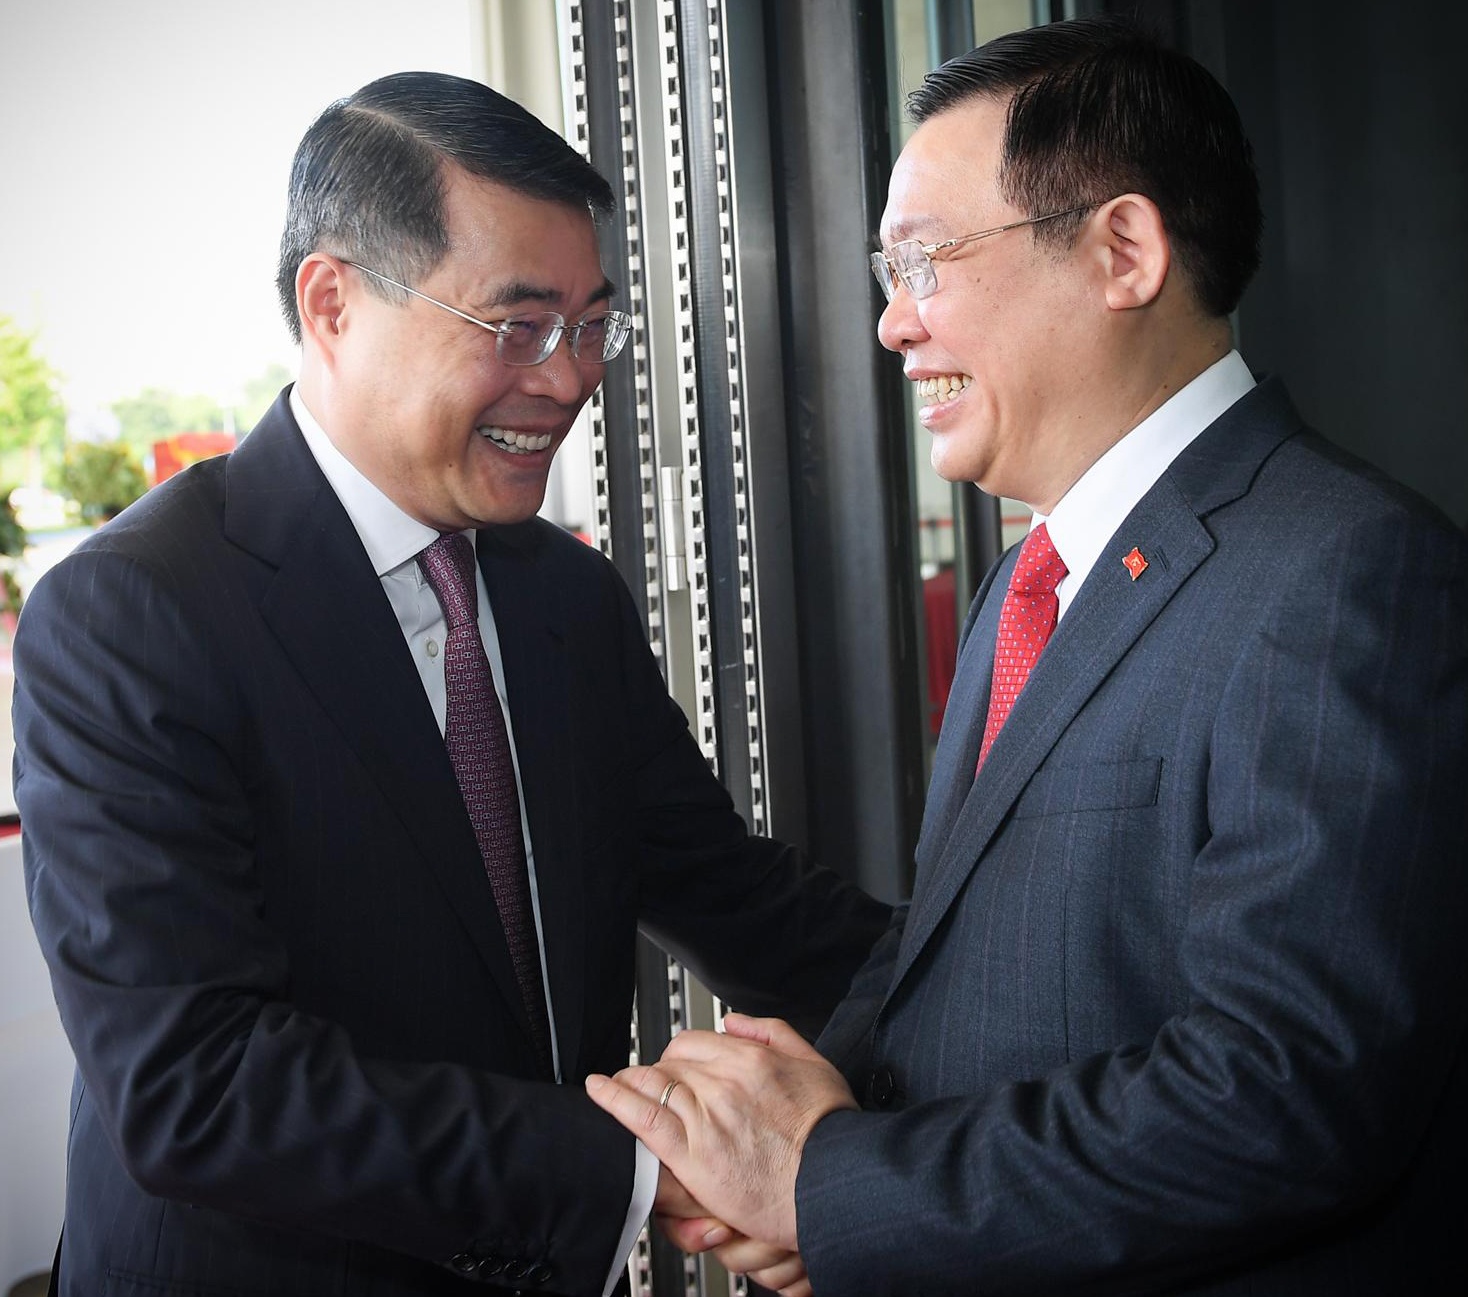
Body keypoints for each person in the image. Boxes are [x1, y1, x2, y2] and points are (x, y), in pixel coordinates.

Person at [586, 16, 1468, 1295]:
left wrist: (831, 1185)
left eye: (924, 262)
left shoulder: (1346, 574)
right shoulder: (1029, 579)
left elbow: (1285, 1092)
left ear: (1123, 251)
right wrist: (800, 1160)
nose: (893, 325)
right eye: (887, 273)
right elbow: (963, 953)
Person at [12, 72, 889, 1297]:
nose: (569, 378)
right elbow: (197, 1085)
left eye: (591, 325)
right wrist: (661, 1165)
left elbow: (742, 901)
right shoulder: (132, 613)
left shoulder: (564, 595)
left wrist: (1019, 1019)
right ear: (332, 303)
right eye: (516, 325)